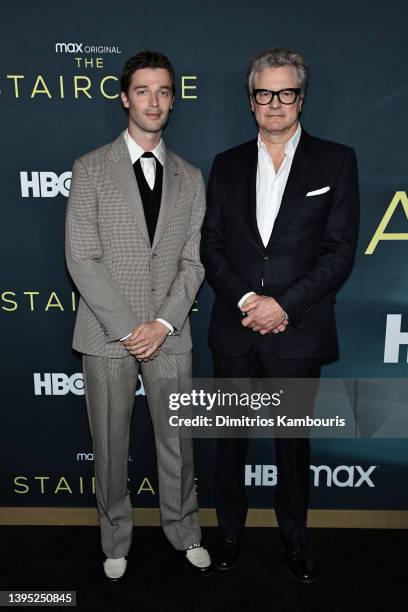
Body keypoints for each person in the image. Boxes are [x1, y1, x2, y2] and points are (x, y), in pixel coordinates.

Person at [201, 47, 359, 582]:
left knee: (292, 447)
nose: (275, 102)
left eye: (285, 92)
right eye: (264, 93)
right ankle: (227, 534)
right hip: (236, 329)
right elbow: (213, 246)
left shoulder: (336, 161)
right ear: (251, 102)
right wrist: (249, 302)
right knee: (230, 443)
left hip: (297, 331)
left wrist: (283, 306)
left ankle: (295, 539)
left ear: (301, 98)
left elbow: (339, 252)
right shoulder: (226, 164)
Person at [65, 50, 211, 580]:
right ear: (125, 97)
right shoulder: (90, 169)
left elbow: (194, 261)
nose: (154, 101)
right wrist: (130, 328)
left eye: (164, 91)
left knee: (179, 442)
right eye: (143, 90)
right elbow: (81, 256)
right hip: (109, 334)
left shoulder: (191, 177)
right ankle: (115, 539)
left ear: (174, 99)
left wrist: (164, 323)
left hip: (171, 333)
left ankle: (184, 528)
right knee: (109, 444)